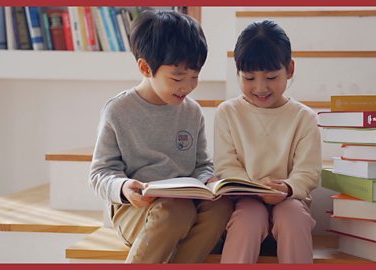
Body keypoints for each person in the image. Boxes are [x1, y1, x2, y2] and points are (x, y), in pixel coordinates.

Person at [89, 10, 233, 264]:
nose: (187, 87)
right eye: (177, 77)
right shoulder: (118, 111)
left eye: (194, 77)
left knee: (221, 208)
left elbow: (201, 164)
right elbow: (100, 174)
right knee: (174, 210)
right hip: (137, 210)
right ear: (146, 68)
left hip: (185, 205)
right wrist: (123, 187)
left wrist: (208, 180)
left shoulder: (192, 111)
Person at [213, 19, 322, 263]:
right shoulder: (227, 113)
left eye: (271, 77)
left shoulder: (304, 118)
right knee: (247, 219)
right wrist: (255, 189)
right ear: (238, 73)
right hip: (244, 201)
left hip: (291, 201)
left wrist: (287, 188)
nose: (260, 87)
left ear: (290, 69)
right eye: (249, 78)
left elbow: (308, 172)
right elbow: (225, 166)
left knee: (292, 217)